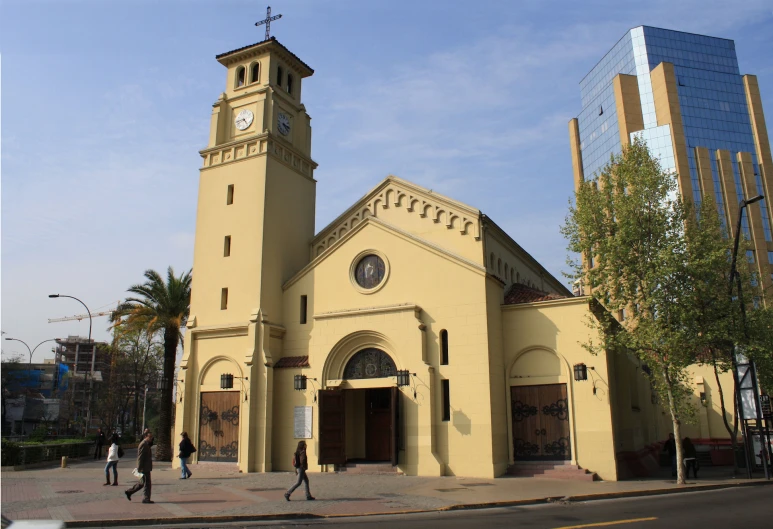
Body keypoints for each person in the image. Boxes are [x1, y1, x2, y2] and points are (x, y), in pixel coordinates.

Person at [125, 430, 153, 504]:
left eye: (151, 437)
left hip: (146, 467)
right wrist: (139, 468)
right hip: (144, 468)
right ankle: (146, 498)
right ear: (145, 437)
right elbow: (140, 457)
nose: (151, 439)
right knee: (147, 483)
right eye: (149, 437)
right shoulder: (143, 444)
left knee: (142, 483)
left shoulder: (146, 444)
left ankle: (129, 492)